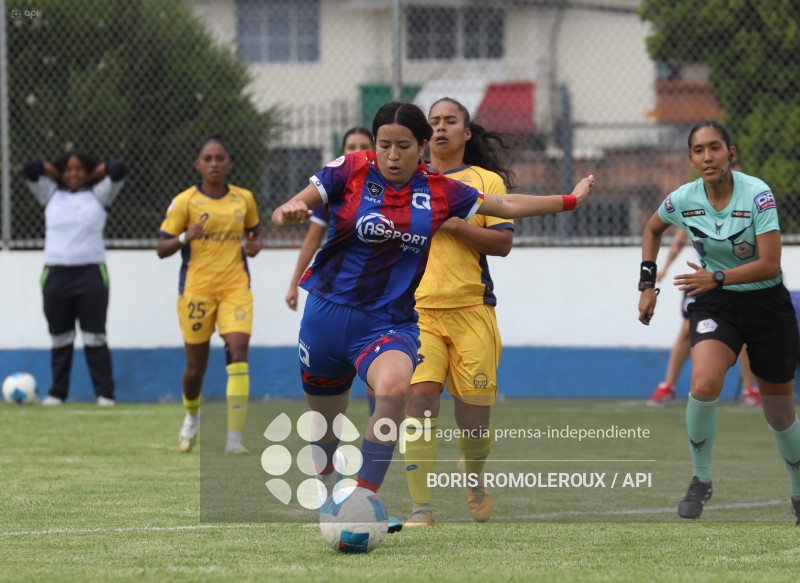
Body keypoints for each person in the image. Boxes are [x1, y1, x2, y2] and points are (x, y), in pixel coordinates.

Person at [271, 101, 593, 512]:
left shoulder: (439, 190)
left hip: (389, 322)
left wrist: (570, 200)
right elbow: (288, 209)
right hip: (326, 318)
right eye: (384, 145)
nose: (392, 155)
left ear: (422, 146)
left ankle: (364, 500)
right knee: (326, 428)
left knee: (394, 391)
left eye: (403, 146)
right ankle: (327, 484)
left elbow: (507, 206)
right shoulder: (349, 169)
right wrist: (287, 214)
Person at [637, 120, 800, 525]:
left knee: (780, 414)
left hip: (767, 305)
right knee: (704, 384)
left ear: (731, 153)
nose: (707, 157)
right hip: (716, 303)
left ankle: (798, 490)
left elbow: (770, 264)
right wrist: (647, 286)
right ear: (691, 159)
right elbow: (652, 228)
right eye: (699, 150)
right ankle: (701, 479)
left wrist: (718, 276)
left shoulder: (757, 194)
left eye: (715, 148)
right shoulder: (683, 199)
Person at [402, 97, 514, 527]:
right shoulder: (407, 180)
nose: (441, 127)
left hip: (472, 310)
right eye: (434, 121)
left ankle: (473, 470)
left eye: (451, 121)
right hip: (418, 313)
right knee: (419, 402)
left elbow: (502, 244)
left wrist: (452, 222)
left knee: (474, 424)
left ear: (466, 133)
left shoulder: (485, 181)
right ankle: (421, 508)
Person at [157, 133, 263, 454]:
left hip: (235, 288)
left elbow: (254, 233)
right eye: (208, 159)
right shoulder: (185, 201)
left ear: (229, 163)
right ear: (198, 164)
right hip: (197, 291)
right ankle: (192, 418)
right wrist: (185, 237)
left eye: (220, 158)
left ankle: (234, 439)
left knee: (238, 352)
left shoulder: (244, 198)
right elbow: (162, 247)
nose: (214, 164)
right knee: (195, 369)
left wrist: (255, 245)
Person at [23, 151, 126, 406]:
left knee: (95, 336)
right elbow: (30, 167)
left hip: (91, 274)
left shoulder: (99, 195)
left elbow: (118, 168)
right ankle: (58, 393)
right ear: (61, 172)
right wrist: (56, 173)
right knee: (60, 337)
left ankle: (105, 394)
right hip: (56, 275)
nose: (73, 174)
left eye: (79, 169)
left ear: (88, 172)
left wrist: (93, 174)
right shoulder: (50, 194)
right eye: (68, 169)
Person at [648, 227, 761, 407]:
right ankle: (668, 386)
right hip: (699, 279)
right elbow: (679, 238)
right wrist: (665, 268)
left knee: (742, 330)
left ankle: (749, 390)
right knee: (687, 330)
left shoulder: (741, 214)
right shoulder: (693, 211)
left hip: (732, 279)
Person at [285, 127, 374, 312]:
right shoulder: (331, 189)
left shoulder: (391, 187)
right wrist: (293, 284)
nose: (357, 152)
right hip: (338, 286)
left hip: (377, 287)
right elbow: (312, 240)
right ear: (343, 153)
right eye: (351, 147)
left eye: (364, 147)